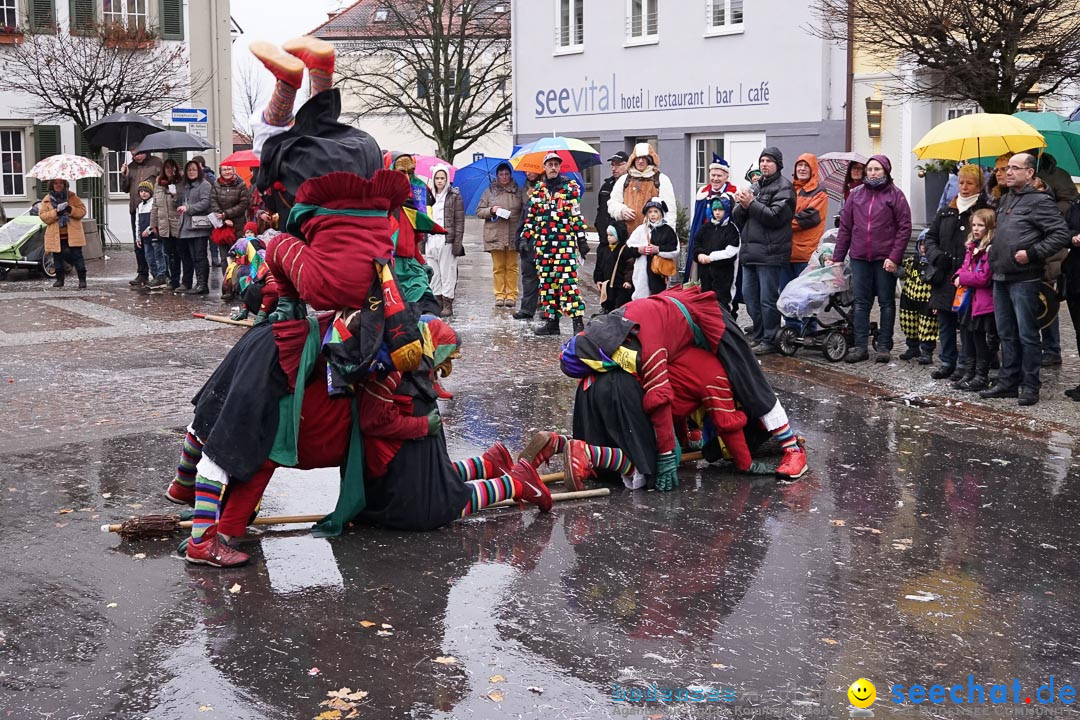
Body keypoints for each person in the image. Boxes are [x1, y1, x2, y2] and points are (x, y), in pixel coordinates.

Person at [980, 152, 1071, 406]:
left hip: (1025, 278)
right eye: (1007, 168)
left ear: (1030, 173)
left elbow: (1060, 234)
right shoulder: (1007, 198)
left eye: (1015, 168)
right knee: (1006, 333)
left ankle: (1030, 385)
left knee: (1027, 334)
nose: (1008, 172)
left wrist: (1031, 253)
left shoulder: (1040, 201)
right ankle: (1008, 382)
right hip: (1001, 275)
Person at [831, 154, 912, 363]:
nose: (872, 173)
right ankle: (860, 347)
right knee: (861, 302)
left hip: (884, 258)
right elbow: (846, 228)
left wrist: (895, 257)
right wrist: (838, 257)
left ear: (885, 171)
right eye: (870, 169)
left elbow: (904, 228)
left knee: (886, 302)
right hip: (859, 256)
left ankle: (884, 346)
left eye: (877, 169)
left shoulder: (896, 195)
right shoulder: (856, 195)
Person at [923, 164, 988, 380]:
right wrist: (935, 255)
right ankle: (947, 361)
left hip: (966, 276)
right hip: (944, 274)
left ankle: (965, 364)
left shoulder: (982, 211)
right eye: (961, 182)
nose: (965, 187)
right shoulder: (946, 210)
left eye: (970, 183)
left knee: (966, 323)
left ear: (979, 185)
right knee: (945, 322)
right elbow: (931, 237)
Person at [732, 147, 796, 355]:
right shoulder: (756, 186)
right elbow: (739, 218)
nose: (764, 164)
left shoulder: (785, 187)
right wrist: (741, 205)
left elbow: (775, 217)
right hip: (751, 252)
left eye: (769, 161)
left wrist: (751, 204)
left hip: (770, 253)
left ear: (778, 164)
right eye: (762, 161)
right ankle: (758, 334)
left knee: (766, 299)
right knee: (750, 297)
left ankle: (770, 338)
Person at [519, 152, 589, 335]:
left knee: (567, 284)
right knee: (547, 284)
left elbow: (575, 215)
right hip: (543, 246)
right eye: (549, 164)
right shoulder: (538, 191)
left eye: (556, 164)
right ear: (544, 167)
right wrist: (525, 238)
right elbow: (531, 218)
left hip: (563, 245)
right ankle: (552, 322)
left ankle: (577, 322)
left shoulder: (569, 188)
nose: (553, 168)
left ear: (560, 167)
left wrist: (581, 238)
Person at [953, 209, 997, 392]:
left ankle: (981, 374)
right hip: (969, 300)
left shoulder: (989, 249)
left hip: (983, 302)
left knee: (980, 339)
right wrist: (959, 275)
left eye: (981, 225)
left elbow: (983, 278)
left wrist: (962, 278)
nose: (977, 229)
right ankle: (969, 371)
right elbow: (964, 268)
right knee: (968, 336)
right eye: (974, 225)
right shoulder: (972, 247)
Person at [786, 153, 828, 324]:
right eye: (799, 165)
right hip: (787, 251)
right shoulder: (789, 189)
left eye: (806, 166)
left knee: (805, 295)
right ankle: (791, 331)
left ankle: (808, 330)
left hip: (805, 253)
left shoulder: (819, 193)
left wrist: (780, 221)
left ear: (813, 170)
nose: (802, 169)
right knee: (787, 294)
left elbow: (808, 219)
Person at [475, 162, 522, 310]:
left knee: (512, 267)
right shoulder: (489, 192)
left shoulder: (517, 192)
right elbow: (479, 211)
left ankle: (512, 295)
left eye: (507, 174)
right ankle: (500, 295)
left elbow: (525, 210)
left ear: (510, 175)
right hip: (495, 234)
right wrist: (492, 210)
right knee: (498, 267)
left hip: (513, 233)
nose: (504, 177)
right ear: (497, 176)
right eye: (501, 174)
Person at [685, 157, 738, 281]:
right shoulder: (703, 192)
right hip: (705, 239)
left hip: (723, 240)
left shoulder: (733, 192)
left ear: (726, 177)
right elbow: (698, 218)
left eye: (719, 175)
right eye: (713, 175)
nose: (715, 179)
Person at [607, 143, 676, 236]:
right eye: (638, 158)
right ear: (633, 160)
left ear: (650, 160)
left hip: (653, 237)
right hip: (628, 237)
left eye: (644, 158)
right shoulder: (624, 180)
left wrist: (667, 234)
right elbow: (612, 203)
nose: (640, 161)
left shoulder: (661, 179)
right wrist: (621, 210)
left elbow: (669, 210)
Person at [423, 165, 464, 318]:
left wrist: (457, 243)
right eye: (437, 178)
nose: (440, 181)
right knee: (434, 273)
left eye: (442, 178)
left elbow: (459, 221)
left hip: (446, 239)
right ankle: (437, 302)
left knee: (447, 272)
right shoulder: (428, 195)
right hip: (430, 239)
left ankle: (448, 303)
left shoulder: (454, 196)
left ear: (447, 179)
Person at [119, 146, 163, 287]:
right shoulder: (130, 166)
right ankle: (142, 273)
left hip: (153, 208)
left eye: (139, 153)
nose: (136, 156)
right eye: (133, 154)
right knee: (139, 243)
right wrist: (124, 175)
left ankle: (159, 274)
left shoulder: (157, 163)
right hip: (136, 208)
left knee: (155, 244)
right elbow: (125, 188)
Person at [693, 194, 740, 311]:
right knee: (706, 302)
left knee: (723, 303)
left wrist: (711, 257)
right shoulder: (705, 228)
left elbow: (731, 252)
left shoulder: (731, 229)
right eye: (715, 210)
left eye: (720, 210)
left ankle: (727, 326)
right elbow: (696, 243)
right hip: (705, 274)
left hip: (724, 274)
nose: (717, 213)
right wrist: (699, 255)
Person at [626, 198, 679, 299]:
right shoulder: (641, 230)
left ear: (661, 213)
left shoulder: (668, 231)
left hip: (660, 272)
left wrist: (658, 250)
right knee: (641, 297)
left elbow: (674, 250)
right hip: (642, 272)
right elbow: (628, 248)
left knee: (659, 297)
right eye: (650, 212)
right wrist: (639, 249)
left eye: (656, 211)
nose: (653, 214)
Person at [39, 178, 87, 289]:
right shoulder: (47, 200)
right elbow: (43, 217)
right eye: (56, 183)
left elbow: (82, 211)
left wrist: (70, 209)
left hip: (73, 234)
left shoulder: (73, 197)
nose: (58, 185)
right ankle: (59, 280)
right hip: (56, 235)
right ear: (52, 185)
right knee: (57, 258)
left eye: (61, 183)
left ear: (65, 184)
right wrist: (56, 212)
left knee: (78, 257)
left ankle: (82, 280)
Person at [177, 159, 213, 295]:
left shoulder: (204, 185)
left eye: (194, 169)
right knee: (192, 257)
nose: (191, 172)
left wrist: (189, 208)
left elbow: (205, 203)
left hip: (199, 227)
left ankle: (203, 284)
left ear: (199, 171)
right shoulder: (186, 186)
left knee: (200, 256)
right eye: (189, 170)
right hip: (187, 227)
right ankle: (198, 283)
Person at [210, 164, 251, 279]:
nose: (227, 172)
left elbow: (244, 204)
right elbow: (212, 201)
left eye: (229, 169)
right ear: (220, 171)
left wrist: (227, 214)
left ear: (234, 170)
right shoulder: (216, 185)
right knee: (224, 258)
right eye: (224, 170)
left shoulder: (241, 185)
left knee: (238, 256)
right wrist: (223, 217)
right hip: (222, 226)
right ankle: (227, 283)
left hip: (238, 226)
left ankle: (238, 283)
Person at [151, 159, 186, 292]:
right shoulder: (158, 183)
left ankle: (183, 280)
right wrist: (153, 224)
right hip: (164, 225)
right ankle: (173, 280)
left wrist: (175, 195)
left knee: (180, 253)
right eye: (167, 168)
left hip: (177, 224)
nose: (170, 171)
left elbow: (182, 202)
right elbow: (155, 205)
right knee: (169, 254)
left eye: (172, 168)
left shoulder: (180, 183)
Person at [897, 249, 938, 364]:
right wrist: (894, 267)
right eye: (922, 244)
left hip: (927, 298)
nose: (924, 248)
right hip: (909, 297)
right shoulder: (912, 260)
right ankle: (913, 348)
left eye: (926, 244)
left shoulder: (935, 262)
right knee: (909, 323)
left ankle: (927, 352)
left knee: (928, 325)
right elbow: (901, 273)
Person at [512, 171, 542, 320]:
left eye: (533, 170)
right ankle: (527, 308)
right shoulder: (525, 188)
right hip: (528, 240)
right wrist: (519, 238)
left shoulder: (551, 191)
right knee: (528, 275)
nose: (529, 173)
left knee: (546, 278)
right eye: (527, 170)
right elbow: (524, 217)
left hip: (545, 241)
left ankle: (546, 309)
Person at [594, 221, 634, 312]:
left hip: (621, 286)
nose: (608, 237)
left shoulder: (624, 250)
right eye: (608, 235)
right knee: (607, 305)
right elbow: (599, 266)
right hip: (607, 285)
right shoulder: (605, 250)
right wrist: (598, 279)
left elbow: (630, 267)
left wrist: (628, 281)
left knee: (620, 307)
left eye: (611, 235)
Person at [135, 181, 169, 289]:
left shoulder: (153, 204)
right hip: (144, 239)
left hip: (154, 236)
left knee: (158, 256)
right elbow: (137, 222)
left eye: (145, 191)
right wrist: (137, 237)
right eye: (141, 191)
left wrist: (149, 229)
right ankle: (155, 276)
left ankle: (161, 276)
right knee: (149, 257)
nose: (143, 193)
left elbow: (155, 219)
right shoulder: (140, 206)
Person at [595, 151, 628, 242]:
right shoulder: (606, 185)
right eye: (612, 165)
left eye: (617, 165)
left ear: (627, 165)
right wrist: (598, 224)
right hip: (604, 237)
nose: (614, 168)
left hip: (622, 237)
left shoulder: (631, 186)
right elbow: (601, 209)